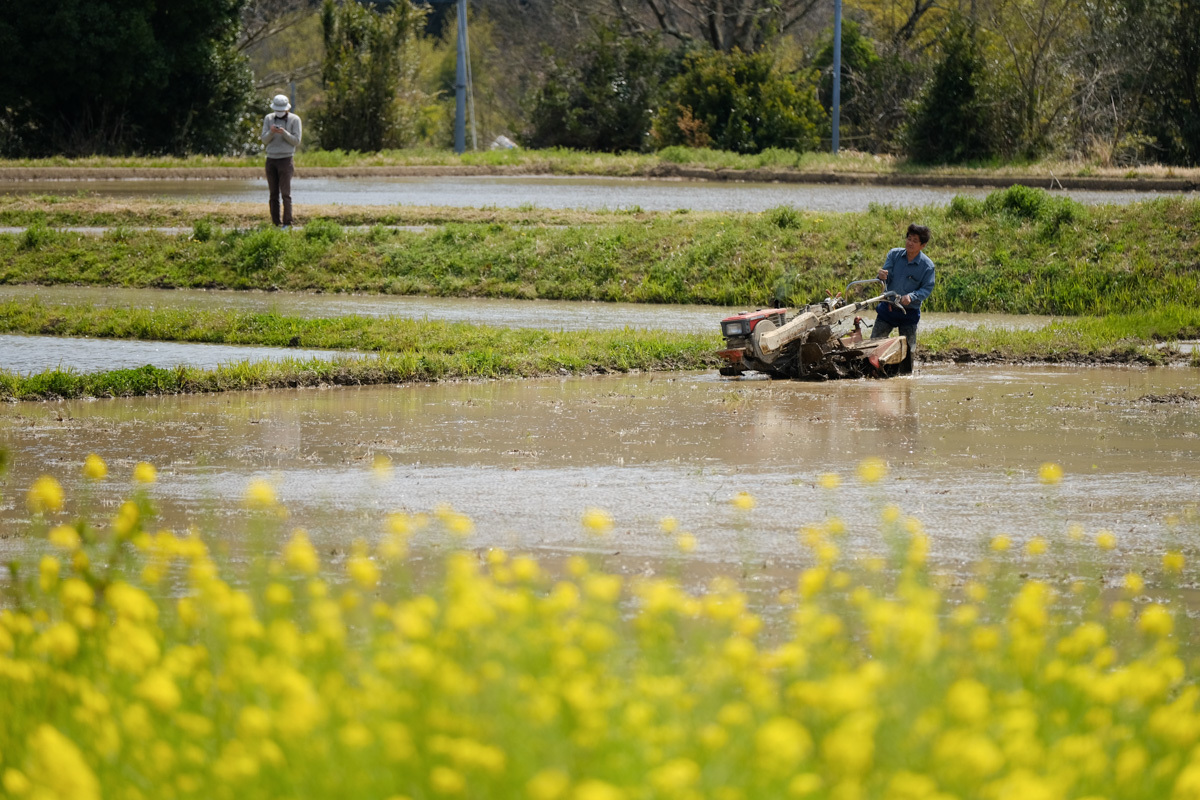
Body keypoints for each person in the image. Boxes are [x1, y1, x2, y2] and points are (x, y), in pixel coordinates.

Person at [872, 223, 936, 370]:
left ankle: (906, 376)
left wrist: (912, 296)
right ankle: (874, 371)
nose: (910, 243)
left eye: (915, 241)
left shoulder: (927, 266)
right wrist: (881, 276)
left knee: (908, 351)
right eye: (909, 239)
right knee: (874, 344)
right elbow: (884, 278)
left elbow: (927, 289)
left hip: (909, 312)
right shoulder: (894, 255)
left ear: (923, 245)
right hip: (888, 307)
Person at [261, 94, 302, 229]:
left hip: (286, 159)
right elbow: (264, 140)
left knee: (286, 194)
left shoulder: (294, 120)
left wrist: (283, 132)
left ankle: (287, 223)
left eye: (281, 110)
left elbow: (296, 141)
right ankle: (275, 223)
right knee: (273, 194)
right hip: (271, 159)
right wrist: (272, 132)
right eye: (277, 110)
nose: (279, 112)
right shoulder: (268, 118)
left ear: (286, 109)